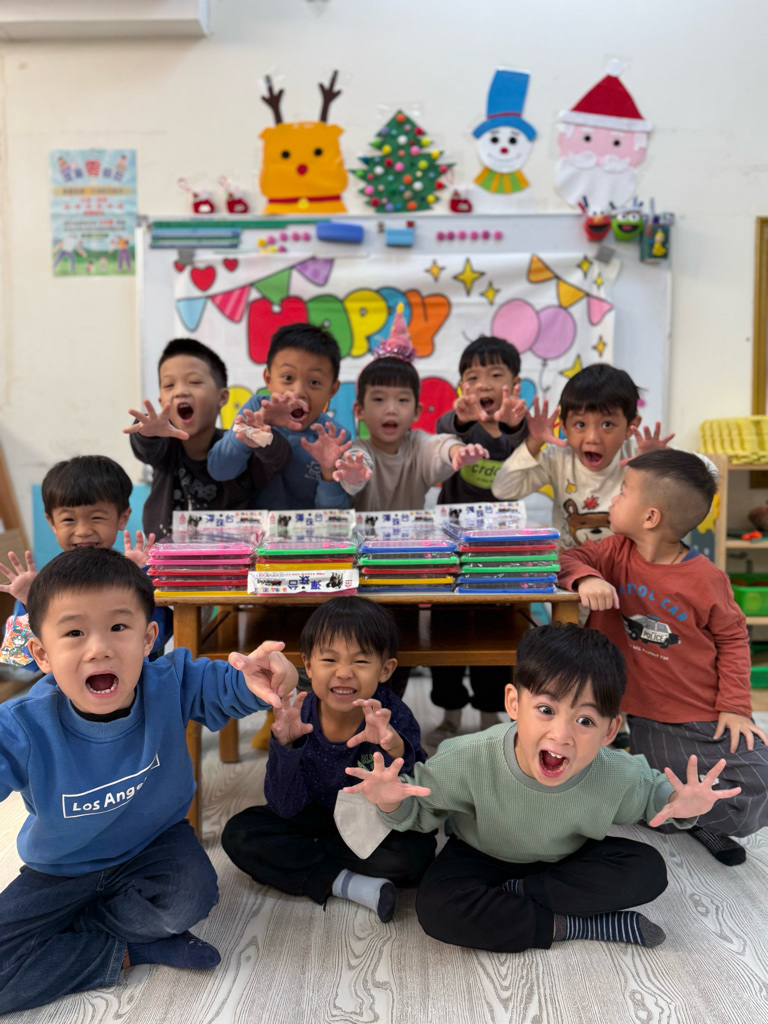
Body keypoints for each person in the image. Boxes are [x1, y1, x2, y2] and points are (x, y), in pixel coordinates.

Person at [0, 547, 297, 1014]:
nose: (99, 648)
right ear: (42, 653)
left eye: (119, 627)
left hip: (153, 846)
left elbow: (227, 685)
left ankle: (77, 931)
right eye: (74, 633)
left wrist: (267, 678)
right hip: (61, 868)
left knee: (191, 897)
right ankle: (128, 949)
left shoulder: (169, 681)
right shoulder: (21, 724)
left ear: (147, 638)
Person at [344, 622, 740, 954]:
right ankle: (575, 925)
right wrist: (391, 802)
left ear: (610, 731)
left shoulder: (615, 772)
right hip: (483, 854)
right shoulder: (466, 756)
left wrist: (680, 803)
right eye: (546, 710)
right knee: (435, 907)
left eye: (585, 721)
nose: (561, 734)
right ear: (514, 704)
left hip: (566, 861)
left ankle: (515, 894)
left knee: (648, 870)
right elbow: (420, 811)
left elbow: (653, 797)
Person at [557, 449, 768, 866]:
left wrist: (735, 706)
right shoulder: (612, 552)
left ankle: (689, 818)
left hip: (692, 709)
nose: (613, 499)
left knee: (758, 777)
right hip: (632, 707)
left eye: (623, 492)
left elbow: (733, 639)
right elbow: (567, 557)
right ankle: (668, 810)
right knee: (637, 785)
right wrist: (587, 578)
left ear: (650, 517)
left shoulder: (707, 578)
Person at [222, 597, 436, 923]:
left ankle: (310, 864)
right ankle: (347, 883)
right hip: (308, 818)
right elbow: (283, 805)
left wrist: (393, 746)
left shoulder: (392, 716)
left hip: (368, 823)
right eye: (329, 659)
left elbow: (414, 798)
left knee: (415, 855)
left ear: (385, 669)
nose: (344, 673)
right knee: (239, 834)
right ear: (308, 666)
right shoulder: (299, 714)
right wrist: (285, 744)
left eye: (361, 661)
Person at [429, 334, 529, 748]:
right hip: (453, 548)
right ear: (462, 387)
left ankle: (491, 712)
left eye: (495, 375)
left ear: (515, 385)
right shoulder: (455, 424)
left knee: (495, 632)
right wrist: (462, 420)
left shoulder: (519, 428)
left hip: (500, 552)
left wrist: (512, 425)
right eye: (473, 377)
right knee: (446, 633)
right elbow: (444, 433)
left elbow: (522, 446)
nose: (483, 384)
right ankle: (449, 712)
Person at [0, 455, 170, 670]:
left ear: (122, 518)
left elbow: (159, 636)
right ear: (52, 523)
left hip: (135, 685)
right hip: (66, 690)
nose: (83, 531)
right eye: (68, 519)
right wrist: (29, 604)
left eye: (96, 517)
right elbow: (21, 658)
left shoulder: (135, 574)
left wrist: (140, 583)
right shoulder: (43, 587)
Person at [491, 363, 673, 549]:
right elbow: (503, 490)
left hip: (625, 561)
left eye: (607, 425)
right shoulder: (558, 459)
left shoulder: (639, 456)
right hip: (570, 561)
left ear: (630, 427)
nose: (592, 438)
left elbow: (689, 491)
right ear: (564, 427)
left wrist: (658, 463)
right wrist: (534, 442)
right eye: (580, 424)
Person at [125, 338, 292, 539]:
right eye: (169, 385)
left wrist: (264, 438)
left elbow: (278, 461)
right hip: (168, 555)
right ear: (162, 402)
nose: (180, 392)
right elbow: (146, 448)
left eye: (194, 382)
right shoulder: (165, 448)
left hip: (235, 554)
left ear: (222, 397)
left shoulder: (237, 446)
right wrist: (147, 432)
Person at [332, 309, 489, 510]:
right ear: (359, 410)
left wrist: (457, 451)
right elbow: (358, 463)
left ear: (416, 411)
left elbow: (438, 446)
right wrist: (353, 474)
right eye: (379, 399)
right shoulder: (359, 450)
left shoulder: (418, 447)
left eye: (402, 400)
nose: (391, 409)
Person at [207, 323, 351, 510]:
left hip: (308, 528)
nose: (298, 392)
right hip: (255, 527)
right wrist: (252, 428)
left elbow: (334, 513)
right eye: (288, 378)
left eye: (314, 382)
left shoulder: (335, 436)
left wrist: (328, 473)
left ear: (332, 390)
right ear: (268, 379)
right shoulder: (256, 410)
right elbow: (218, 470)